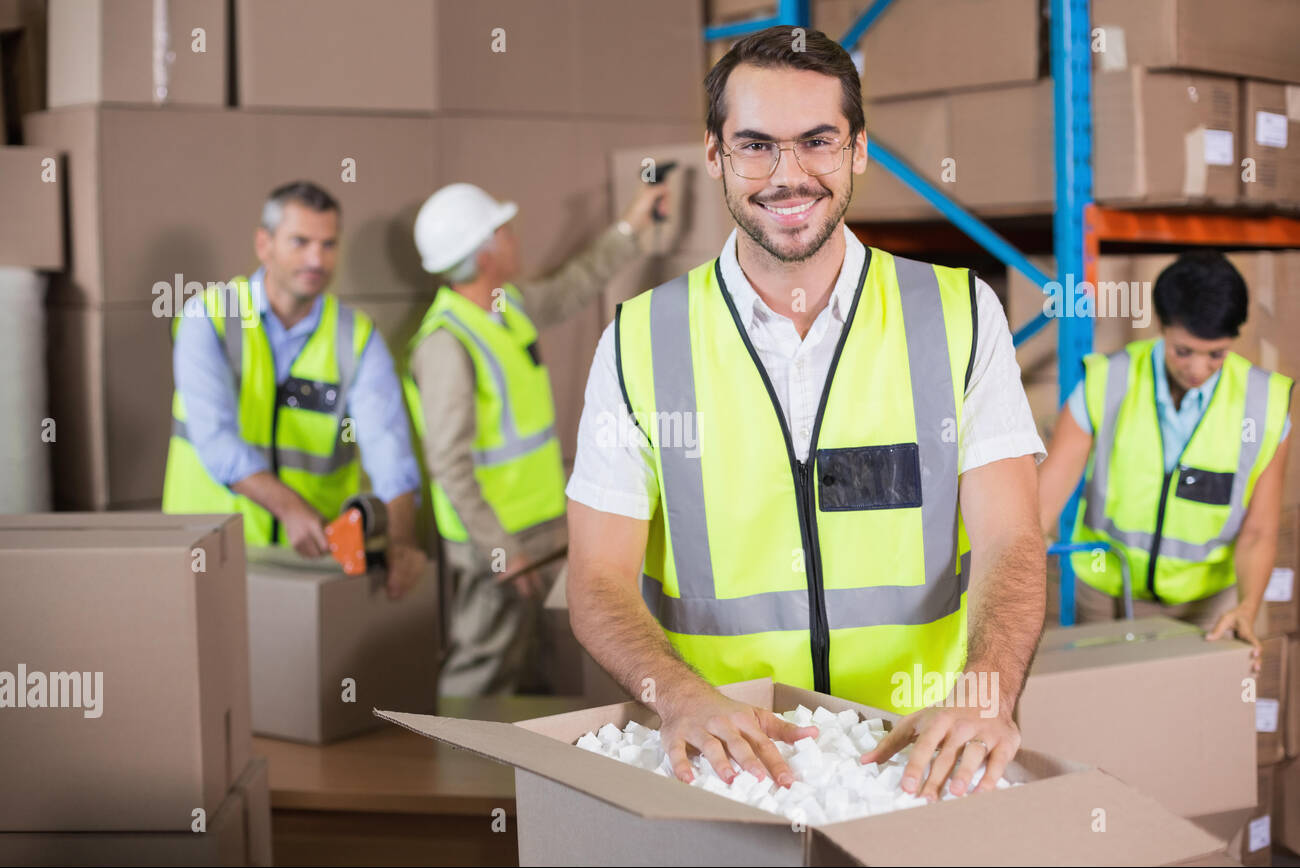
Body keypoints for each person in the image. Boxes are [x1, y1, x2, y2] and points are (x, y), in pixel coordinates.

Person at [564, 27, 1047, 803]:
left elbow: (1011, 537)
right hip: (728, 764)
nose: (788, 176)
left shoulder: (958, 314)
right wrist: (678, 695)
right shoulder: (640, 340)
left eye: (817, 141)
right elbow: (595, 576)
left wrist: (985, 690)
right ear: (715, 156)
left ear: (858, 149)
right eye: (756, 145)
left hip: (916, 752)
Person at [406, 179, 671, 696]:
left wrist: (632, 224)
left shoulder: (507, 308)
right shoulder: (447, 343)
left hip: (539, 529)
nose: (513, 238)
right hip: (498, 542)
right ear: (485, 253)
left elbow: (575, 285)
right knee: (482, 668)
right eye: (502, 231)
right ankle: (455, 772)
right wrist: (502, 551)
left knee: (534, 668)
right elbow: (450, 466)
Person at [164, 180, 427, 599]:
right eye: (300, 242)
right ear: (264, 244)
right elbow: (215, 439)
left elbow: (388, 447)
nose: (316, 259)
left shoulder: (356, 338)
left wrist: (400, 539)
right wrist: (289, 507)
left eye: (328, 244)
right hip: (209, 550)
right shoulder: (209, 318)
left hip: (309, 562)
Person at [1038, 251, 1293, 672]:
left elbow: (1259, 531)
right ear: (1161, 326)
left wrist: (1247, 607)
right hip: (1105, 594)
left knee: (1186, 724)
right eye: (1184, 351)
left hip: (1206, 606)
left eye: (1216, 355)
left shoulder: (1264, 405)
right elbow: (1041, 503)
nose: (1198, 369)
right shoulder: (1108, 381)